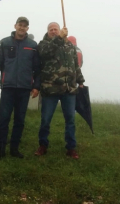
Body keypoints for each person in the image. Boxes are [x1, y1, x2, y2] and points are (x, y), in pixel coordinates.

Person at [0, 17, 40, 160]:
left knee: (19, 120)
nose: (22, 28)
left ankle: (14, 149)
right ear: (15, 26)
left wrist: (36, 86)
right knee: (4, 120)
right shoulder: (4, 43)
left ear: (27, 28)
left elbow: (37, 69)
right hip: (8, 88)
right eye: (20, 25)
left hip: (24, 89)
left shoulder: (33, 45)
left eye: (25, 26)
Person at [34, 22, 85, 159]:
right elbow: (45, 53)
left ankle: (71, 148)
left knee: (70, 120)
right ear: (47, 31)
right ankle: (43, 145)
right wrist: (59, 38)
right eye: (51, 29)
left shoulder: (69, 46)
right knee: (45, 120)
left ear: (59, 30)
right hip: (50, 89)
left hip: (69, 89)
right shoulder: (43, 44)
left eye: (55, 29)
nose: (53, 31)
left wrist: (80, 80)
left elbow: (75, 65)